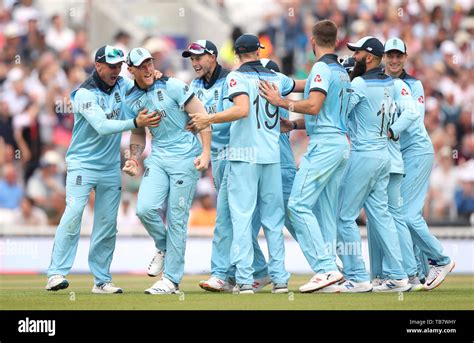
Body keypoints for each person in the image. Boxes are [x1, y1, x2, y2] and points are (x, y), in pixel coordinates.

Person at [46, 45, 160, 294]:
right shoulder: (83, 94)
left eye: (119, 65)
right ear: (97, 65)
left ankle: (102, 280)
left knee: (107, 224)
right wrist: (135, 122)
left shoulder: (122, 84)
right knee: (74, 212)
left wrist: (153, 74)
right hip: (82, 164)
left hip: (109, 166)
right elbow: (101, 125)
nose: (115, 70)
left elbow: (143, 87)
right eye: (110, 65)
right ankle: (55, 273)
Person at [189, 34, 293, 294]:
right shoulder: (276, 77)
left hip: (243, 156)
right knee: (272, 219)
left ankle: (245, 280)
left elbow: (242, 110)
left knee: (241, 218)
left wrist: (207, 119)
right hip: (271, 156)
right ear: (258, 51)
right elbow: (302, 84)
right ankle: (279, 279)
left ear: (236, 54)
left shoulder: (235, 77)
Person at [260, 20, 348, 293]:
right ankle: (334, 273)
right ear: (335, 40)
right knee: (325, 211)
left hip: (325, 145)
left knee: (297, 205)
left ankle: (325, 268)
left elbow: (313, 105)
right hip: (341, 144)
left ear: (312, 41)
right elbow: (318, 101)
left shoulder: (321, 67)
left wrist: (280, 102)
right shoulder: (341, 71)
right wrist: (294, 124)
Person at [122, 47, 211, 294]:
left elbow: (201, 116)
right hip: (158, 157)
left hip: (186, 158)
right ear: (131, 70)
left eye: (150, 63)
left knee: (177, 218)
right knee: (144, 209)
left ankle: (171, 280)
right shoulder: (131, 98)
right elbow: (138, 131)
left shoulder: (172, 85)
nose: (148, 69)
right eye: (141, 66)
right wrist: (133, 158)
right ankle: (164, 246)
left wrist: (205, 152)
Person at [336, 36, 417, 293]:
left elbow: (340, 113)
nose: (354, 58)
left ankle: (357, 276)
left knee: (344, 216)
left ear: (369, 57)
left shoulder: (359, 83)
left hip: (364, 154)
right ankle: (399, 275)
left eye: (357, 54)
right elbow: (409, 112)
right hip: (384, 155)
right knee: (382, 217)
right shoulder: (391, 83)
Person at [383, 38, 455, 291]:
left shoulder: (413, 84)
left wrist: (390, 132)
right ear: (384, 57)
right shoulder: (383, 82)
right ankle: (418, 272)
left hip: (416, 151)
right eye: (389, 55)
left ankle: (441, 259)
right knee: (403, 214)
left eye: (398, 56)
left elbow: (414, 118)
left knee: (406, 215)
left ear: (404, 57)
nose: (394, 60)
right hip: (400, 156)